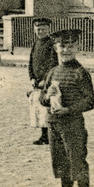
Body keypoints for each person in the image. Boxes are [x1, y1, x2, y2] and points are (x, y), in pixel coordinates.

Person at [40, 28, 94, 187]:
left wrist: (69, 110)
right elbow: (42, 99)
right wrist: (48, 97)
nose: (66, 50)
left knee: (77, 162)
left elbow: (90, 101)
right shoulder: (53, 72)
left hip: (73, 125)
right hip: (53, 125)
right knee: (61, 164)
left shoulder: (80, 73)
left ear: (77, 47)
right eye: (62, 46)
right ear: (56, 48)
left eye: (71, 46)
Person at [28, 17, 59, 145]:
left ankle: (53, 136)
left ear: (48, 29)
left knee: (49, 108)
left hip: (48, 83)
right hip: (37, 83)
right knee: (39, 108)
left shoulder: (52, 44)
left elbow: (53, 64)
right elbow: (31, 63)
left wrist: (45, 81)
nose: (40, 32)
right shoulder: (36, 44)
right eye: (38, 29)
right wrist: (32, 77)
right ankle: (44, 135)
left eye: (42, 29)